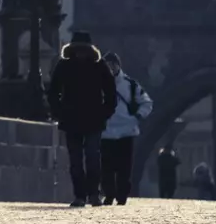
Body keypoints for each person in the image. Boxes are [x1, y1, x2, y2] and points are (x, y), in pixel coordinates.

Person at [47, 29, 118, 208]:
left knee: (92, 157)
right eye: (77, 49)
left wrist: (104, 113)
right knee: (76, 160)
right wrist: (59, 112)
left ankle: (93, 194)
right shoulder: (64, 65)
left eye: (83, 49)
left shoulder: (99, 66)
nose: (80, 53)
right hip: (72, 119)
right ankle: (80, 195)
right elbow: (53, 92)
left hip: (93, 119)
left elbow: (111, 93)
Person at [97, 51, 153, 205]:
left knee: (124, 167)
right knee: (106, 167)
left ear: (118, 66)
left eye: (112, 65)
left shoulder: (131, 84)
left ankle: (122, 195)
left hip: (127, 131)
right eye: (107, 65)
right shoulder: (97, 84)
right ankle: (109, 194)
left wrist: (138, 116)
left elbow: (147, 102)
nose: (110, 68)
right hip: (106, 131)